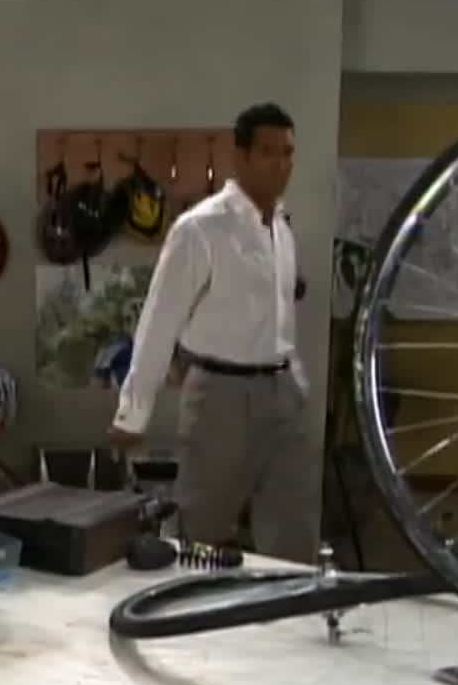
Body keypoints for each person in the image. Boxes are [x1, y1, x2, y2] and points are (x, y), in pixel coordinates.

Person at [107, 103, 314, 564]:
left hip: (282, 394)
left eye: (287, 153)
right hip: (221, 394)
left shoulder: (281, 228)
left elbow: (279, 318)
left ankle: (288, 608)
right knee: (203, 535)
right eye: (268, 152)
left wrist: (295, 379)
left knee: (293, 533)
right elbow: (159, 321)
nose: (281, 165)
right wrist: (133, 413)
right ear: (240, 156)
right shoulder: (200, 229)